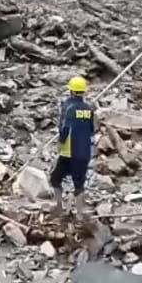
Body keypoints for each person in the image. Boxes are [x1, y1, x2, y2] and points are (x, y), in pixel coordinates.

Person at [49, 76, 95, 217]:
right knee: (79, 184)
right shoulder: (88, 109)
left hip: (69, 152)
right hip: (84, 152)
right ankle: (80, 215)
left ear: (71, 90)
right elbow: (91, 131)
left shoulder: (68, 106)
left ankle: (59, 208)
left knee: (55, 179)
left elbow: (65, 128)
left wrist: (60, 145)